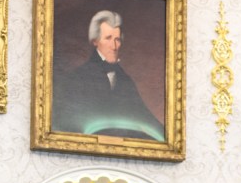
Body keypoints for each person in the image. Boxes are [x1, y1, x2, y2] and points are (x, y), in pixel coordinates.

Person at [51, 10, 165, 142]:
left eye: (117, 39)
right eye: (108, 38)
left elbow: (144, 116)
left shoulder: (125, 80)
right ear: (95, 41)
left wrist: (169, 139)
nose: (114, 46)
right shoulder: (77, 78)